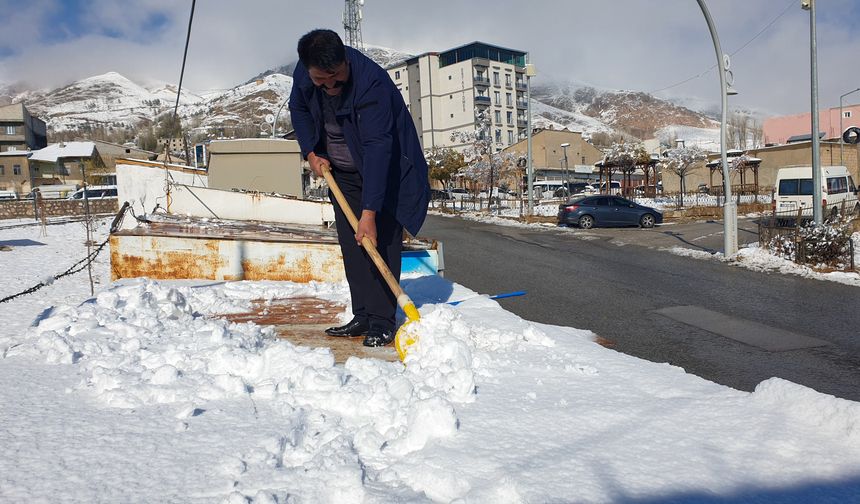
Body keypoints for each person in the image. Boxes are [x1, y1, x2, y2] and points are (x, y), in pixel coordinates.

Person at [288, 29, 430, 347]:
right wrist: (311, 150)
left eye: (337, 78)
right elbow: (298, 110)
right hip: (343, 173)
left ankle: (382, 320)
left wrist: (369, 212)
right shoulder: (303, 73)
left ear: (345, 61)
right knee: (353, 247)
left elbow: (379, 149)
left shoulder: (372, 84)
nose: (331, 87)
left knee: (379, 241)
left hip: (386, 171)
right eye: (321, 82)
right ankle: (364, 314)